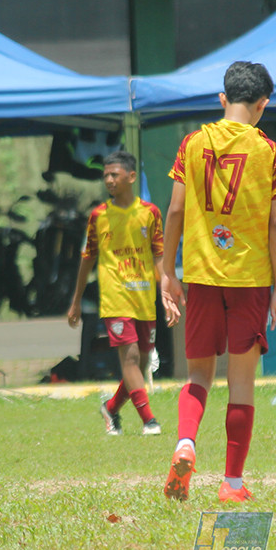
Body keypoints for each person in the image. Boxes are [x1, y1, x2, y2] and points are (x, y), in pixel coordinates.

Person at [160, 61, 276, 503]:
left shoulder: (192, 142)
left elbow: (175, 210)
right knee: (241, 382)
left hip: (201, 276)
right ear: (262, 105)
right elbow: (275, 223)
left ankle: (185, 443)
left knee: (199, 374)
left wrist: (168, 272)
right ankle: (232, 484)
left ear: (222, 99)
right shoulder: (269, 151)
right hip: (249, 279)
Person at [67, 150, 176, 436]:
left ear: (131, 177)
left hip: (144, 298)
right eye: (105, 176)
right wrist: (76, 301)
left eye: (114, 174)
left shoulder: (150, 213)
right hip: (115, 299)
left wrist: (166, 290)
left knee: (141, 363)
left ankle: (111, 408)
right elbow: (87, 258)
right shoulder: (99, 216)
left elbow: (159, 255)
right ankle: (149, 420)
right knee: (130, 360)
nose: (109, 180)